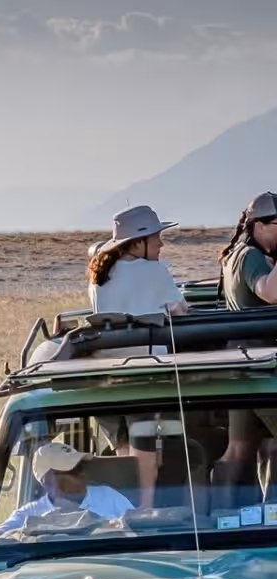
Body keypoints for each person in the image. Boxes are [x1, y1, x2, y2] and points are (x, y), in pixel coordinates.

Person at [86, 205, 189, 507]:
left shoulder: (101, 274)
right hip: (145, 372)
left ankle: (125, 509)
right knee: (147, 454)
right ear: (137, 243)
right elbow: (180, 309)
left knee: (124, 452)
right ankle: (144, 509)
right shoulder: (153, 270)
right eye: (157, 238)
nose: (161, 244)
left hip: (107, 371)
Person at [215, 191, 277, 507]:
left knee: (239, 449)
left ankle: (219, 514)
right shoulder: (251, 256)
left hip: (241, 366)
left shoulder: (236, 254)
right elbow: (269, 292)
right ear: (261, 226)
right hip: (263, 368)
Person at [0, 442, 134, 536]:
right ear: (47, 480)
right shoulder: (28, 514)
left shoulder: (107, 496)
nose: (82, 474)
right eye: (73, 470)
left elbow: (139, 527)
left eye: (82, 467)